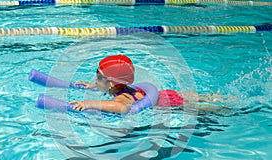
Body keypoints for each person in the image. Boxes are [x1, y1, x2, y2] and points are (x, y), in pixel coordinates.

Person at [70, 54, 229, 113]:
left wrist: (89, 103)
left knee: (213, 110)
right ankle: (213, 97)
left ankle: (223, 106)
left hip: (173, 104)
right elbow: (105, 85)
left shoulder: (122, 97)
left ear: (111, 83)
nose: (95, 78)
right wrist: (92, 85)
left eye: (98, 76)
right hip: (167, 94)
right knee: (205, 97)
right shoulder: (122, 87)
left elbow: (121, 107)